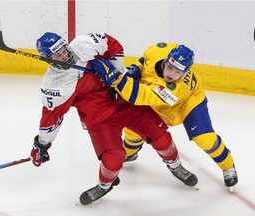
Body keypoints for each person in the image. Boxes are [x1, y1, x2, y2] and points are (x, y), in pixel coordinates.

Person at [30, 33, 198, 205]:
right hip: (100, 119)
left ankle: (176, 167)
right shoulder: (54, 85)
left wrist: (117, 79)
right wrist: (42, 144)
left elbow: (113, 45)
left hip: (125, 102)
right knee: (113, 160)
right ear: (48, 59)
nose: (64, 56)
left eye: (63, 50)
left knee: (162, 139)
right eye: (57, 55)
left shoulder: (85, 44)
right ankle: (104, 185)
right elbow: (52, 117)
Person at [90, 42, 238, 189]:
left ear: (185, 73)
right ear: (166, 60)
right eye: (170, 67)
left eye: (177, 72)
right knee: (133, 128)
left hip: (188, 102)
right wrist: (135, 69)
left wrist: (116, 79)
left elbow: (139, 95)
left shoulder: (173, 88)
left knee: (204, 139)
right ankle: (131, 152)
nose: (171, 74)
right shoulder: (157, 50)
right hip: (158, 99)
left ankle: (228, 166)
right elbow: (144, 61)